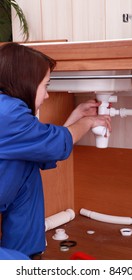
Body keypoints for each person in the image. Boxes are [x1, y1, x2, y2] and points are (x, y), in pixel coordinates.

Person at [0, 42, 111, 258]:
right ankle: (21, 258)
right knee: (15, 266)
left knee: (26, 169)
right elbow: (54, 144)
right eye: (46, 86)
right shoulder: (7, 113)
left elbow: (39, 146)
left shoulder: (7, 110)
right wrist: (88, 122)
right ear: (27, 82)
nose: (48, 95)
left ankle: (27, 254)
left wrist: (75, 118)